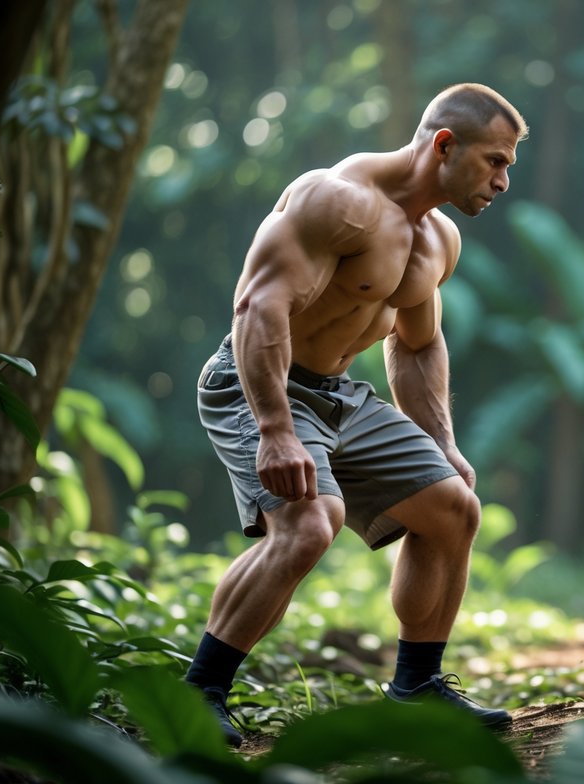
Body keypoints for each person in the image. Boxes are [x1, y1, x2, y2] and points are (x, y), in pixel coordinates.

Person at [187, 83, 528, 745]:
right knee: (311, 524)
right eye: (494, 161)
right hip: (257, 382)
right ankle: (200, 694)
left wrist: (442, 441)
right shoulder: (336, 201)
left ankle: (416, 689)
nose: (503, 180)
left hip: (339, 393)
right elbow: (259, 309)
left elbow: (418, 343)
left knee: (454, 506)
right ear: (444, 145)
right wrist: (275, 430)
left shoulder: (439, 240)